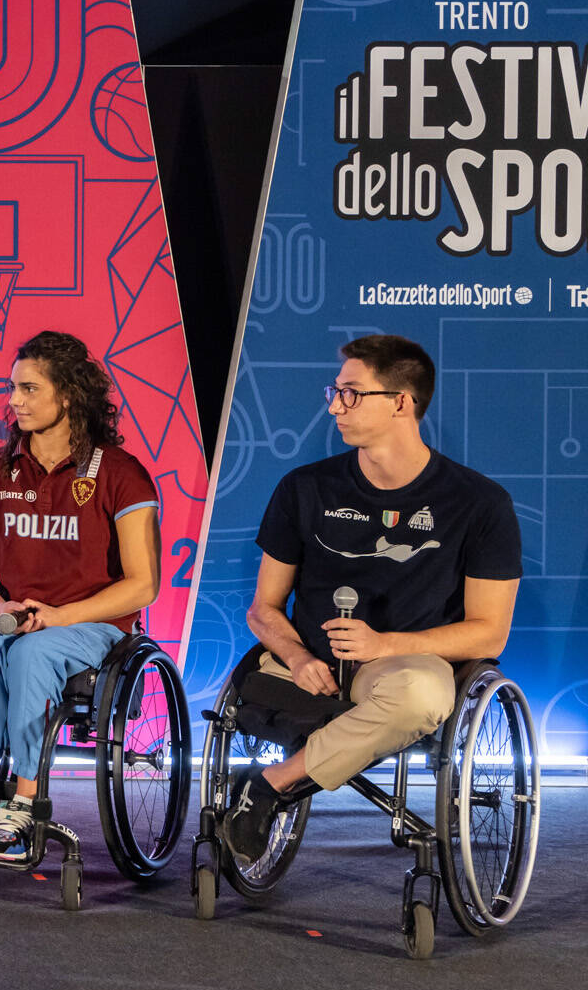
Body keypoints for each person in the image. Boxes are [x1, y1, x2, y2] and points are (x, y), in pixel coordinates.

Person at [223, 335, 521, 858]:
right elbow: (263, 608)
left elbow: (489, 631)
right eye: (334, 392)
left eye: (352, 394)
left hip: (402, 667)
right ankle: (291, 774)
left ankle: (272, 784)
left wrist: (382, 645)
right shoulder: (304, 488)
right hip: (308, 665)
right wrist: (295, 656)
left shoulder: (480, 503)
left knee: (424, 696)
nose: (336, 405)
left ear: (402, 403)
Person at [0, 332, 161, 862]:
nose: (14, 399)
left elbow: (144, 585)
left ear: (67, 395)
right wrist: (0, 609)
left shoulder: (119, 473)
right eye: (12, 388)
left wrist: (59, 616)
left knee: (32, 651)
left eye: (28, 388)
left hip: (91, 622)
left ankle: (23, 798)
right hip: (13, 614)